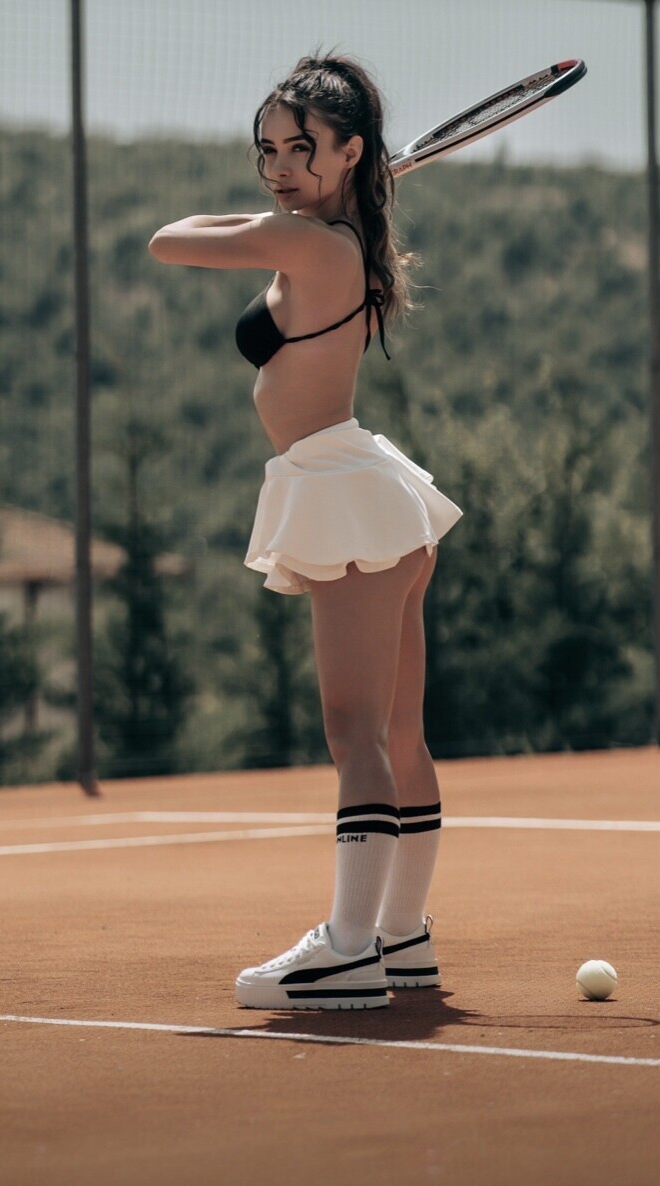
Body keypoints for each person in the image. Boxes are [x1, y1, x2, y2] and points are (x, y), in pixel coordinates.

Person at [149, 54, 462, 1010]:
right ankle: (401, 937)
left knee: (354, 731)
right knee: (397, 732)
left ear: (351, 150)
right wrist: (327, 198)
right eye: (268, 151)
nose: (279, 167)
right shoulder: (340, 237)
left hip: (340, 488)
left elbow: (168, 240)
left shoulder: (310, 243)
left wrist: (292, 215)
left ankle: (348, 950)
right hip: (366, 491)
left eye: (301, 148)